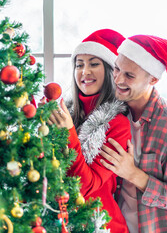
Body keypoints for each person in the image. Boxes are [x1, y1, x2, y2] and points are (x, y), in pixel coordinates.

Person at [99, 34, 167, 233]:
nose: (118, 79)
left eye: (129, 75)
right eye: (117, 68)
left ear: (153, 79)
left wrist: (134, 174)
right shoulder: (112, 113)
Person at [48, 29, 131, 232]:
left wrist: (68, 133)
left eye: (94, 64)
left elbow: (84, 187)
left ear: (110, 71)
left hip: (101, 225)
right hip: (60, 223)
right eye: (79, 65)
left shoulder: (118, 124)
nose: (85, 72)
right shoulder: (63, 114)